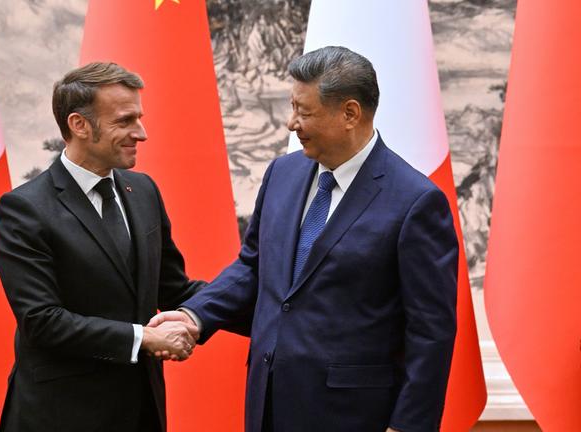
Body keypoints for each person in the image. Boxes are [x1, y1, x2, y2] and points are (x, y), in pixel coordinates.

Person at [149, 46, 458, 432]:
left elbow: (431, 331)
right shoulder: (282, 173)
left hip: (353, 415)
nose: (291, 123)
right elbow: (253, 266)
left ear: (350, 113)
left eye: (303, 111)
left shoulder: (415, 201)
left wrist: (408, 426)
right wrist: (195, 315)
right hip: (268, 403)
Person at [0, 62, 202, 432]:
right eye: (125, 121)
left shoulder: (145, 193)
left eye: (139, 118)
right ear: (79, 125)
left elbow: (173, 289)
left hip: (141, 413)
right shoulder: (24, 209)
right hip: (61, 417)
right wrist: (144, 338)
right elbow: (42, 321)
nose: (142, 133)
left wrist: (265, 302)